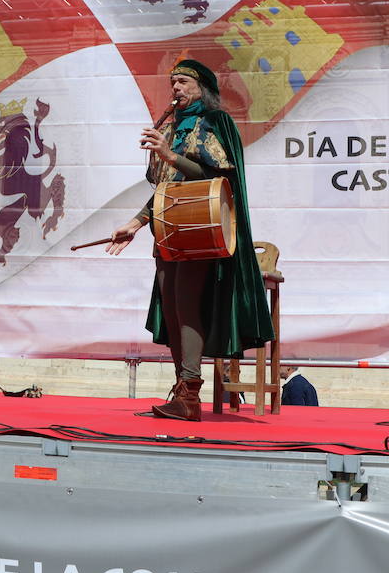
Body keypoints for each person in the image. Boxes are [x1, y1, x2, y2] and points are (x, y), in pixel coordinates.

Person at [107, 59, 273, 421]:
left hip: (200, 231)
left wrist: (169, 153)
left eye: (182, 82)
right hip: (171, 231)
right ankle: (182, 394)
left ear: (202, 87)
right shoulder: (177, 126)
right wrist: (135, 224)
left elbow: (215, 175)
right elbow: (167, 189)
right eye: (172, 83)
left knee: (187, 305)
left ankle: (189, 393)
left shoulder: (215, 122)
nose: (175, 89)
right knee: (172, 309)